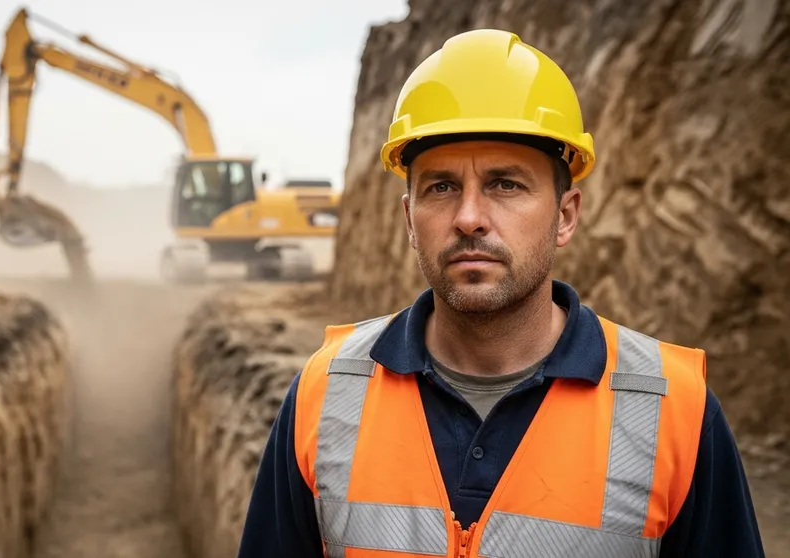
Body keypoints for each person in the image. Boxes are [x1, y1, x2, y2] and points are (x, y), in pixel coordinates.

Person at [236, 28, 765, 558]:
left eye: (505, 185)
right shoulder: (324, 394)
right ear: (409, 220)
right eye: (441, 187)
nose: (468, 218)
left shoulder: (674, 410)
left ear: (565, 215)